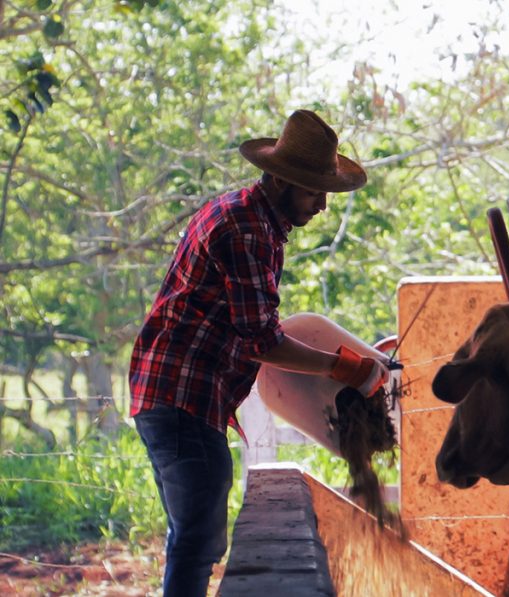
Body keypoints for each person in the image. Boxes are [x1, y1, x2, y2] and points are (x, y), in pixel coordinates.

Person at [128, 109, 389, 597]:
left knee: (191, 539)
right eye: (314, 192)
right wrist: (348, 368)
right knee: (197, 542)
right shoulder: (248, 231)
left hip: (174, 393)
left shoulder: (244, 215)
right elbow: (262, 342)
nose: (322, 207)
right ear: (280, 180)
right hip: (183, 397)